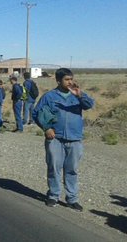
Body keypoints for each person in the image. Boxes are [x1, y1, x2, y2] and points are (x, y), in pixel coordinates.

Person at [32, 68, 94, 211]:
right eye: (67, 79)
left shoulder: (76, 95)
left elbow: (90, 105)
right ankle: (53, 195)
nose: (70, 82)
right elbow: (36, 113)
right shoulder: (49, 96)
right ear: (58, 81)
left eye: (71, 79)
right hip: (56, 139)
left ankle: (72, 199)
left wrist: (80, 95)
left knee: (72, 170)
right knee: (54, 167)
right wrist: (46, 128)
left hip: (74, 138)